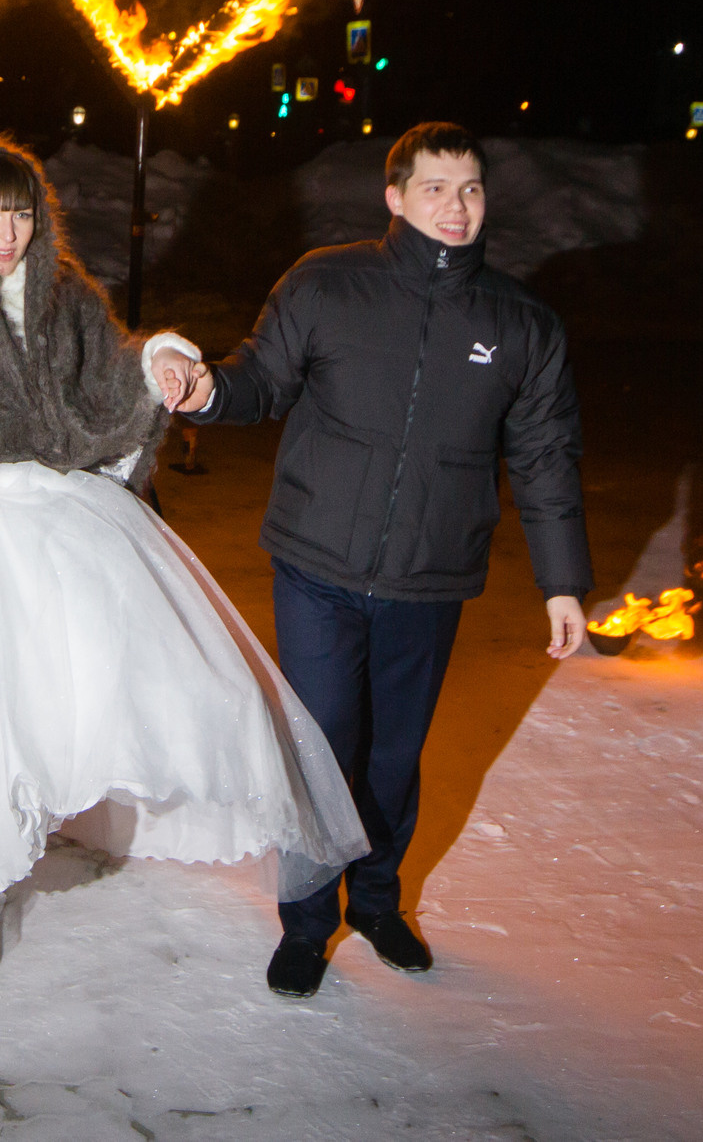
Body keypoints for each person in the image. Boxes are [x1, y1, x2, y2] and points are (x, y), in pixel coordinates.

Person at [0, 137, 365, 983]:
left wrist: (160, 357)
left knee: (63, 689)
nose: (7, 232)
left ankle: (38, 819)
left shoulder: (65, 296)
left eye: (21, 212)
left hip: (47, 507)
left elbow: (112, 368)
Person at [160, 121, 593, 998]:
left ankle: (380, 900)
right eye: (435, 188)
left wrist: (563, 579)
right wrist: (208, 390)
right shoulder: (328, 284)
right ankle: (309, 920)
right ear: (394, 197)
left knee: (394, 756)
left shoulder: (521, 326)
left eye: (469, 189)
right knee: (324, 748)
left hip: (430, 578)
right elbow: (262, 379)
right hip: (317, 563)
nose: (455, 206)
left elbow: (546, 455)